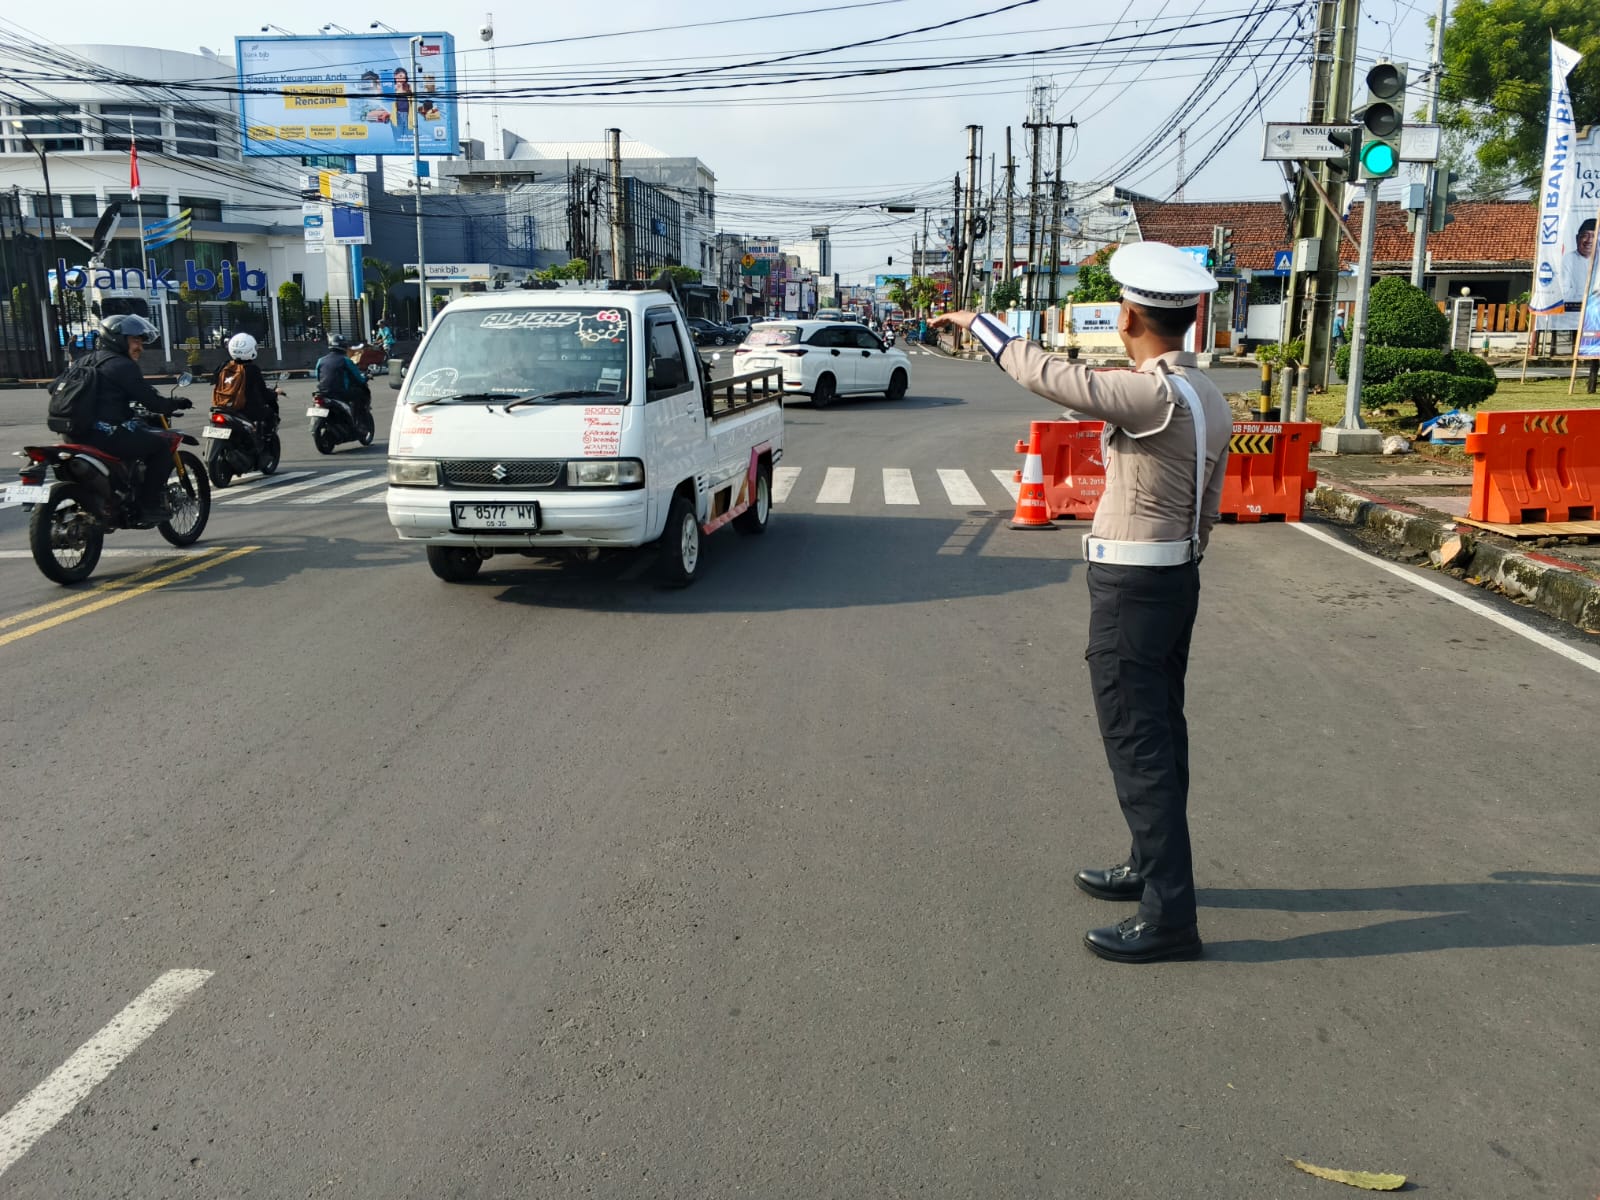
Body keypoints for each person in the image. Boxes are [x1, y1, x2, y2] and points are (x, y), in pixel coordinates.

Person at [931, 242, 1232, 965]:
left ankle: (1169, 916)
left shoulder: (1153, 395)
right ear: (1191, 317)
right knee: (1161, 732)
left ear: (1128, 317)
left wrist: (981, 325)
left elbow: (1052, 375)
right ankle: (1148, 866)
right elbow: (1210, 501)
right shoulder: (1207, 394)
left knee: (1137, 741)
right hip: (1174, 578)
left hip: (1134, 586)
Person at [81, 314, 192, 522]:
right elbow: (153, 402)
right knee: (161, 447)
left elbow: (54, 388)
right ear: (117, 339)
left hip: (75, 433)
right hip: (106, 435)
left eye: (141, 341)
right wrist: (175, 403)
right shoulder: (122, 366)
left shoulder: (84, 361)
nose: (140, 347)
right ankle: (148, 505)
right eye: (135, 340)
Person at [222, 332, 283, 428]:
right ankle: (266, 437)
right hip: (245, 410)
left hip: (224, 408)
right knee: (270, 414)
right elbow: (264, 393)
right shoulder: (252, 369)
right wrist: (275, 393)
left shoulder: (224, 367)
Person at [316, 334, 371, 416]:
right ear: (344, 346)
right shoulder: (346, 361)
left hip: (323, 393)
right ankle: (358, 416)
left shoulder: (320, 360)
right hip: (340, 394)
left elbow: (318, 378)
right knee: (361, 392)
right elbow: (359, 379)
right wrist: (366, 377)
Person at [1560, 218, 1595, 308]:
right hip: (1573, 312)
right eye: (1585, 235)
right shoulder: (1567, 260)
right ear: (1577, 238)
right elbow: (1564, 294)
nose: (1589, 240)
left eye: (1594, 236)